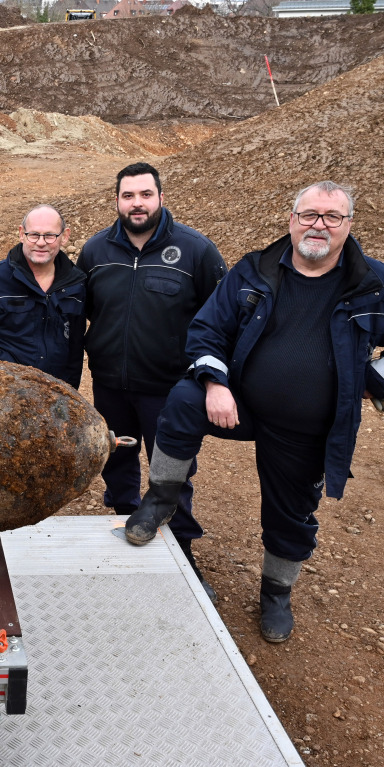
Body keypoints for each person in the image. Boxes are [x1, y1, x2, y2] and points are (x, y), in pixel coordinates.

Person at [125, 181, 384, 642]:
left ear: (348, 224)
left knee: (291, 514)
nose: (318, 225)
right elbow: (207, 330)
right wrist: (215, 383)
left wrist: (372, 377)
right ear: (291, 219)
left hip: (306, 424)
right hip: (239, 403)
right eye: (308, 215)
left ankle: (276, 592)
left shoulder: (371, 282)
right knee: (183, 400)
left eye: (331, 217)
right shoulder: (255, 269)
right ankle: (161, 499)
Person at [77, 162, 226, 598]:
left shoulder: (196, 250)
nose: (136, 203)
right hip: (109, 382)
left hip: (170, 389)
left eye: (145, 194)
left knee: (173, 468)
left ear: (160, 196)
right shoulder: (95, 250)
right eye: (128, 196)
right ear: (117, 201)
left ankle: (181, 547)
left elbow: (221, 317)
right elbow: (85, 308)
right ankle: (125, 522)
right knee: (117, 460)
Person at [0, 204, 86, 388]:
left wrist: (69, 393)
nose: (41, 242)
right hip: (1, 392)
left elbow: (75, 347)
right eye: (34, 235)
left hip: (52, 394)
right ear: (21, 234)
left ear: (65, 236)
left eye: (50, 235)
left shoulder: (76, 284)